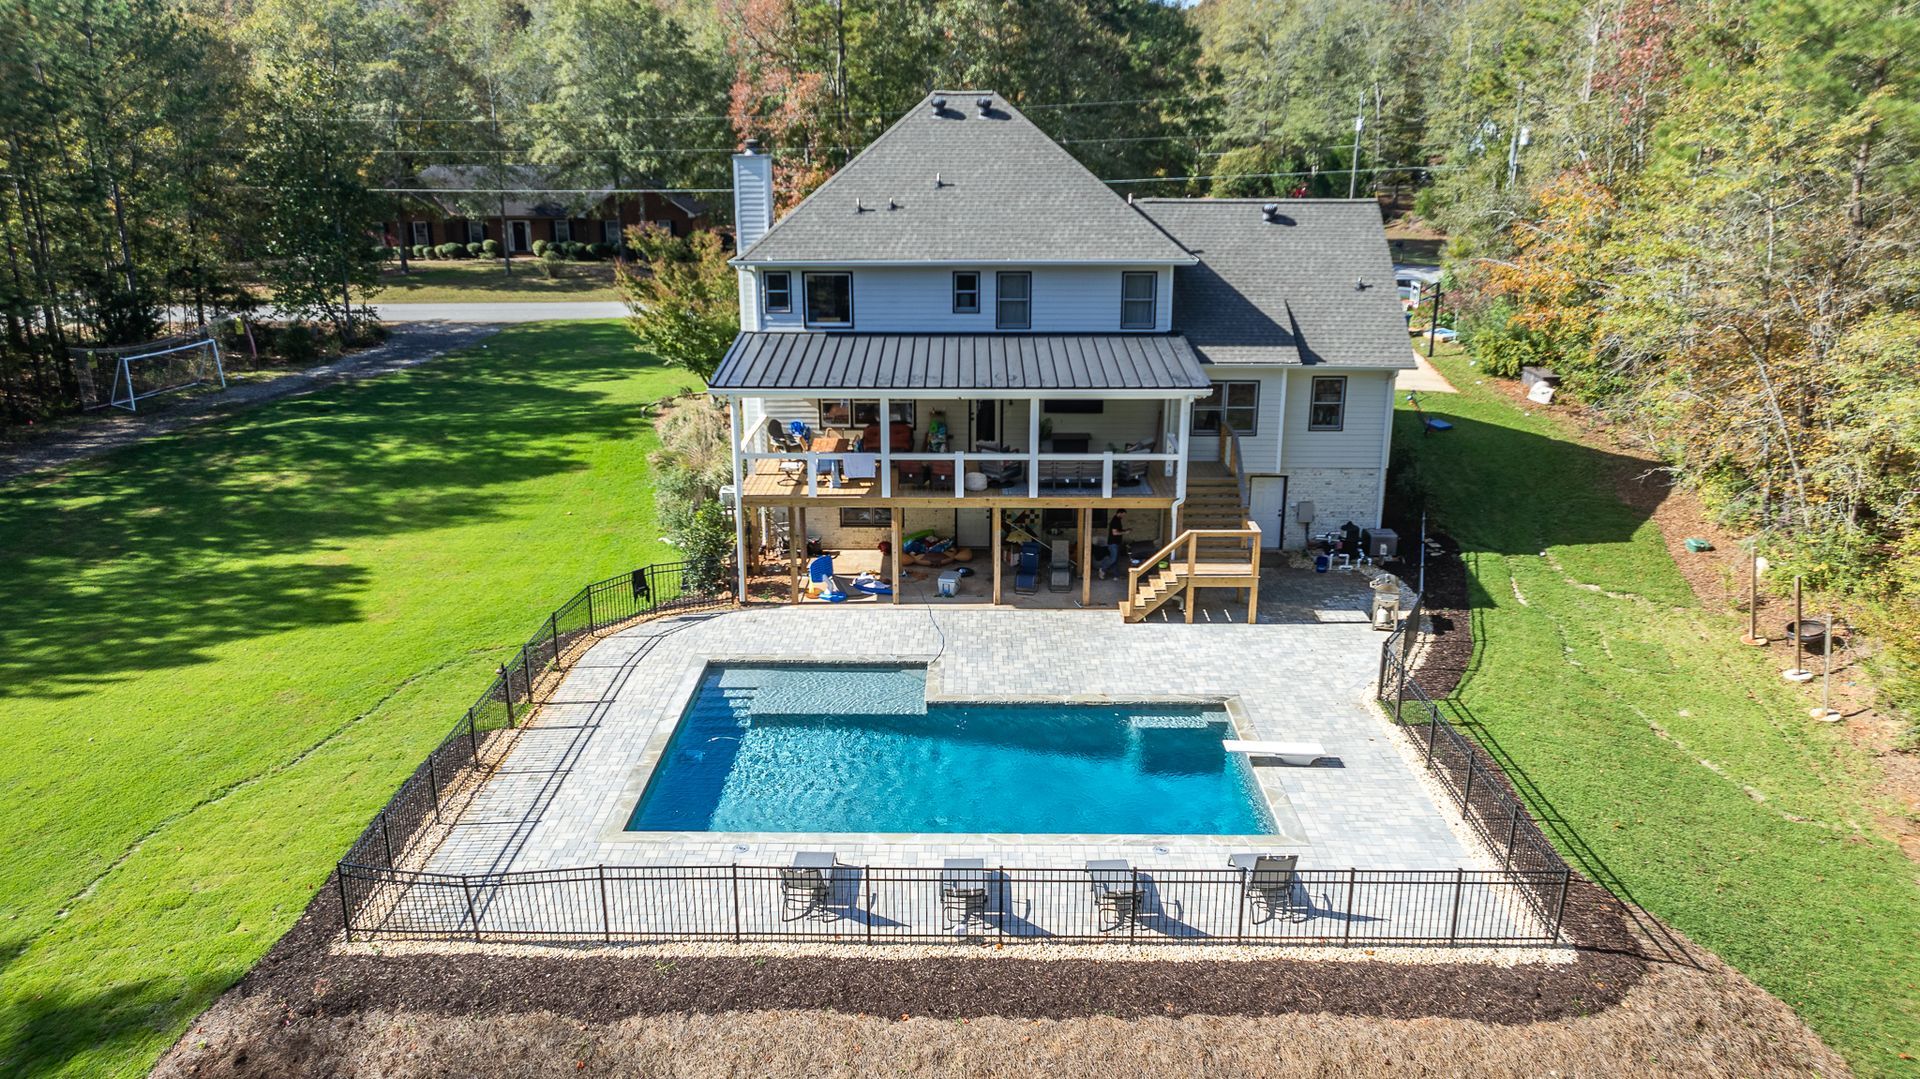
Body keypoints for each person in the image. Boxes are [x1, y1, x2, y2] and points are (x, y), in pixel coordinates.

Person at [1095, 510, 1128, 579]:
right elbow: (1114, 533)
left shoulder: (1117, 520)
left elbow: (1117, 531)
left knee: (1115, 560)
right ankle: (1102, 568)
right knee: (1113, 559)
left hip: (1116, 543)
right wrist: (1125, 532)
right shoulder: (1115, 521)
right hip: (1113, 543)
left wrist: (1125, 530)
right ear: (1119, 513)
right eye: (1123, 515)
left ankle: (1116, 575)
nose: (1123, 516)